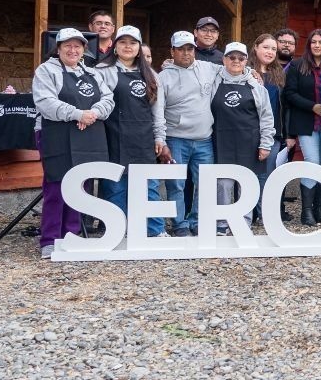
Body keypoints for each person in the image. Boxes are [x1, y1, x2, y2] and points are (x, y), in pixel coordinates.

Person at [33, 28, 114, 259]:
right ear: (58, 49)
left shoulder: (93, 73)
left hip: (88, 134)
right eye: (67, 45)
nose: (72, 50)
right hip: (56, 135)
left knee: (82, 186)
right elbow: (45, 102)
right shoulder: (46, 71)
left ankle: (73, 235)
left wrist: (93, 113)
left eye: (77, 46)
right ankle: (50, 240)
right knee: (57, 187)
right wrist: (77, 114)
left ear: (83, 49)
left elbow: (108, 99)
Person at [94, 25, 166, 238]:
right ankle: (118, 231)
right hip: (113, 136)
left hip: (143, 137)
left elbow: (158, 109)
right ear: (115, 46)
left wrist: (159, 136)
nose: (128, 46)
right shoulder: (102, 71)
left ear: (138, 47)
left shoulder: (151, 74)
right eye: (123, 42)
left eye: (132, 43)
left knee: (149, 187)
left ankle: (155, 230)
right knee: (116, 186)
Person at [154, 31, 221, 236]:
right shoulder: (163, 76)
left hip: (204, 139)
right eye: (181, 49)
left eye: (190, 48)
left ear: (195, 50)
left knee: (205, 185)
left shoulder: (209, 68)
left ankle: (198, 221)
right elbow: (158, 110)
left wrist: (251, 73)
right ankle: (179, 224)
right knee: (176, 185)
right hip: (176, 140)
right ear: (172, 51)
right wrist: (160, 139)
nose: (186, 53)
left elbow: (234, 69)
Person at [209, 42, 274, 234]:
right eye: (232, 57)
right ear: (224, 60)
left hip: (250, 141)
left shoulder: (256, 85)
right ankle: (222, 223)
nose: (236, 61)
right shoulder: (213, 80)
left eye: (240, 58)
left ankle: (243, 224)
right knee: (223, 184)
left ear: (246, 60)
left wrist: (266, 144)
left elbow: (266, 117)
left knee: (246, 183)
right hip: (221, 141)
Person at [284, 28, 321, 225]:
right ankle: (306, 212)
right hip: (306, 123)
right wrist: (312, 106)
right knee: (312, 163)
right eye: (314, 42)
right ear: (309, 45)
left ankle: (319, 209)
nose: (317, 45)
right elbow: (290, 93)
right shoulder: (297, 65)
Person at [248, 33, 291, 224]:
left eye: (273, 49)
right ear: (256, 47)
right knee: (250, 174)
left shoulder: (279, 75)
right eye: (266, 47)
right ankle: (248, 211)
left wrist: (287, 134)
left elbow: (285, 106)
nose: (270, 52)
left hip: (273, 133)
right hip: (248, 132)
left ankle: (264, 212)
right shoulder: (244, 71)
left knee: (268, 174)